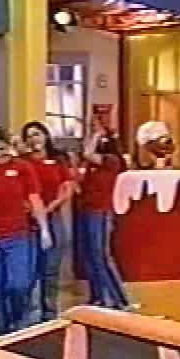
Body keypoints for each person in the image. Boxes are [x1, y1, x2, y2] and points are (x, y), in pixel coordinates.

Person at [0, 126, 52, 336]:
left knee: (19, 284)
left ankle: (17, 320)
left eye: (2, 149)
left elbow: (34, 199)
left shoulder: (23, 168)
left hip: (19, 236)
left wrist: (44, 229)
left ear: (9, 147)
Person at [20, 121, 75, 322]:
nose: (33, 139)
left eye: (37, 134)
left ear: (45, 135)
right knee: (31, 269)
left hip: (53, 217)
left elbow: (67, 188)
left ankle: (50, 313)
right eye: (29, 136)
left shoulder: (58, 159)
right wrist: (33, 210)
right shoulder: (23, 162)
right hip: (28, 220)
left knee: (51, 268)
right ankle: (29, 314)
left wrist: (48, 208)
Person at [76, 131, 130, 310]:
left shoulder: (112, 160)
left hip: (100, 212)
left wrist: (95, 134)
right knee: (89, 256)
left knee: (100, 256)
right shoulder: (91, 165)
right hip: (85, 210)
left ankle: (119, 299)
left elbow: (88, 153)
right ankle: (98, 297)